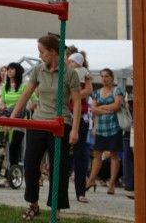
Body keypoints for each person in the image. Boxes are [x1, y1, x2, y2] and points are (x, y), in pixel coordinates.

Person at [8, 34, 82, 220]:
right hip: (39, 121)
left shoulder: (70, 74)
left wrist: (74, 129)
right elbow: (26, 94)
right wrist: (12, 117)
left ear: (53, 52)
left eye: (42, 52)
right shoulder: (38, 70)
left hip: (60, 123)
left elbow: (77, 102)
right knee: (30, 165)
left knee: (58, 168)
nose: (39, 55)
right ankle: (33, 204)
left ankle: (55, 209)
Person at [88, 68, 125, 195]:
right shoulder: (97, 92)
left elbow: (116, 106)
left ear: (112, 78)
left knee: (114, 155)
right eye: (102, 76)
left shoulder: (117, 90)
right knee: (97, 154)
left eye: (107, 76)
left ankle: (112, 183)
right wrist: (107, 109)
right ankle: (91, 180)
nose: (104, 79)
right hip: (101, 128)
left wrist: (101, 107)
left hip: (114, 127)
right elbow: (93, 109)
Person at [66, 50, 94, 203]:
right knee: (64, 153)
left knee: (80, 153)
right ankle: (61, 192)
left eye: (72, 61)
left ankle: (80, 191)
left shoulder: (84, 73)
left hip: (80, 114)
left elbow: (89, 90)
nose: (69, 63)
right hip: (66, 113)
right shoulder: (65, 72)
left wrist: (74, 95)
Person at [1, 62, 27, 170]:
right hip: (6, 120)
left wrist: (23, 108)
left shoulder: (24, 86)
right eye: (8, 69)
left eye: (12, 69)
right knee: (5, 147)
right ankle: (7, 171)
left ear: (18, 71)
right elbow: (2, 102)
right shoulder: (4, 87)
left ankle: (14, 171)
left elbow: (34, 101)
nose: (9, 71)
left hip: (19, 121)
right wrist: (3, 106)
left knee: (14, 146)